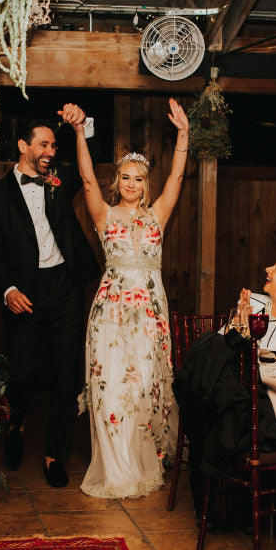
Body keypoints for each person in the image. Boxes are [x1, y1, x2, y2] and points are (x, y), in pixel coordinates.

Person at [0, 108, 101, 487]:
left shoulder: (59, 179)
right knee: (23, 373)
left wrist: (82, 125)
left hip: (65, 285)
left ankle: (55, 455)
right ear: (23, 146)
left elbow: (84, 164)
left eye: (53, 144)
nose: (50, 150)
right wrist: (8, 289)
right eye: (43, 144)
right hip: (24, 292)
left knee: (66, 373)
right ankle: (16, 425)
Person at [74, 98, 189, 499]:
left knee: (143, 387)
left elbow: (176, 178)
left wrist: (184, 135)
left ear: (145, 184)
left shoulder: (158, 214)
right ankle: (116, 469)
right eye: (124, 177)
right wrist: (78, 134)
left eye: (138, 178)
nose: (130, 184)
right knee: (110, 386)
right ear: (116, 181)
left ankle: (143, 461)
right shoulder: (104, 215)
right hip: (111, 310)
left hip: (149, 312)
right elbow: (87, 180)